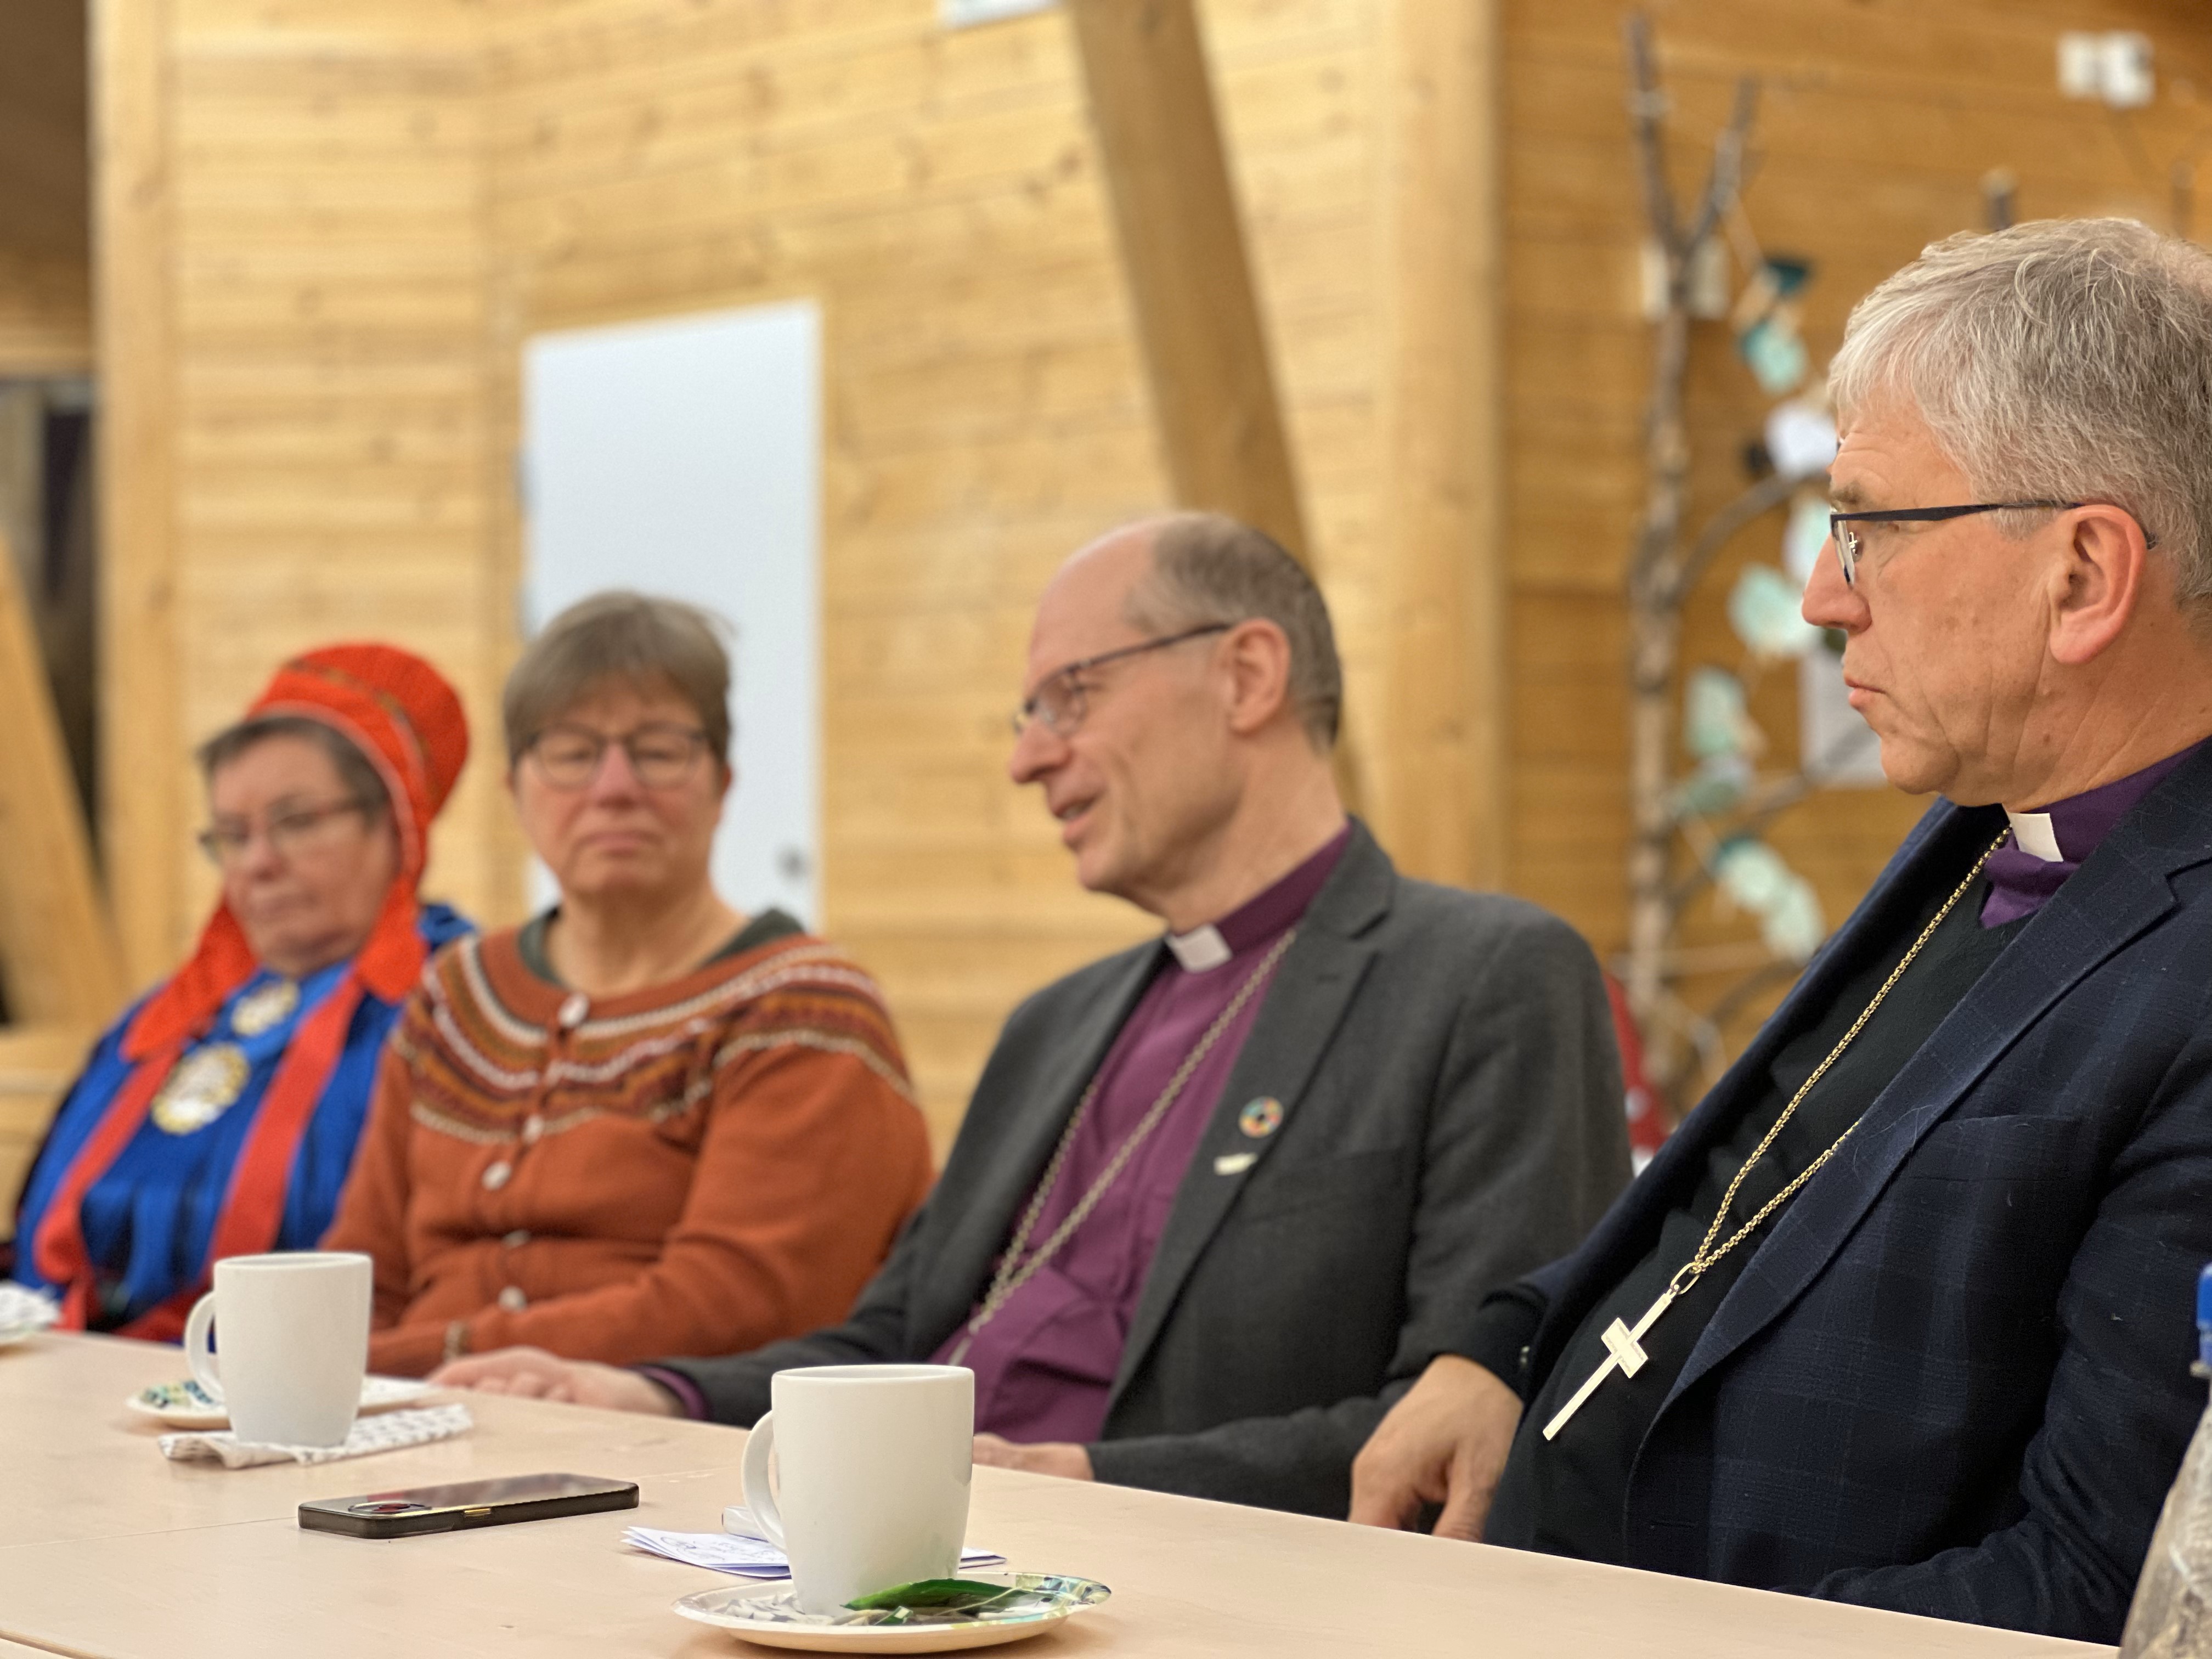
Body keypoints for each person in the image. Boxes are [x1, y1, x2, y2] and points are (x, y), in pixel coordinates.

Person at [1347, 218, 2212, 1644]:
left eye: (1868, 523)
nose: (1822, 598)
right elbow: (1768, 1170)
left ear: (2082, 578)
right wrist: (1511, 1347)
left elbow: (2085, 1596)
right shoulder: (1993, 817)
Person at [436, 514, 1630, 1518]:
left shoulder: (1484, 978)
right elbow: (892, 1347)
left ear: (1248, 676)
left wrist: (1082, 1481)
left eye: (1069, 697)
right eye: (1026, 716)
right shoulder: (1056, 1024)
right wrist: (648, 1393)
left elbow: (1461, 1429)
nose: (1028, 761)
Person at [321, 592, 931, 1376]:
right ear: (517, 793)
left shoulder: (804, 1008)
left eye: (658, 750)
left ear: (721, 783)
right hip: (408, 1438)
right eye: (572, 753)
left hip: (669, 1454)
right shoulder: (457, 996)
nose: (614, 787)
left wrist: (412, 1365)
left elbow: (738, 1305)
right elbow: (364, 1273)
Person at [9, 643, 472, 1337]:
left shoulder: (454, 1010)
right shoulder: (164, 1022)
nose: (258, 864)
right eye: (232, 834)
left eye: (297, 822)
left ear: (394, 824)